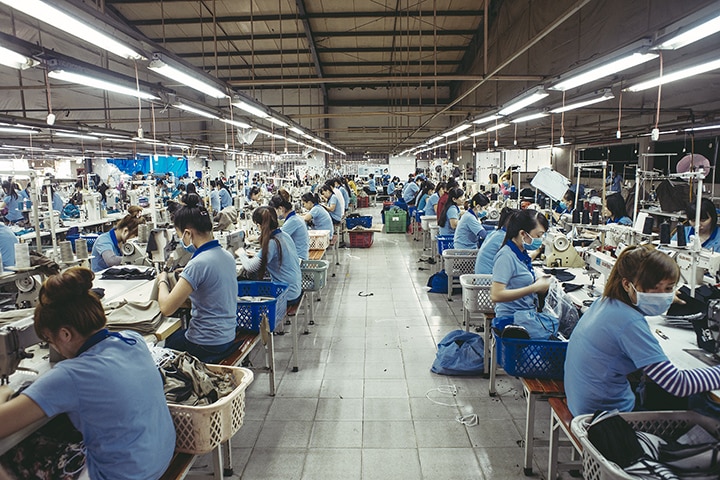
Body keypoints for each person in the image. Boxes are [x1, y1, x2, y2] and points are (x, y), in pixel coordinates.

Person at [0, 267, 175, 479]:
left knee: (15, 453)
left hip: (121, 475)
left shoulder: (71, 375)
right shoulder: (132, 340)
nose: (52, 345)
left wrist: (5, 391)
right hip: (158, 461)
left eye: (49, 340)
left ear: (64, 334)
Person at [565, 245, 720, 416]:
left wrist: (663, 298)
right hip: (608, 418)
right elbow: (678, 384)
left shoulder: (605, 302)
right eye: (655, 288)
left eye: (669, 288)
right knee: (704, 405)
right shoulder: (628, 322)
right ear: (627, 285)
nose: (663, 295)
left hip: (583, 404)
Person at [158, 193, 238, 362]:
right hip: (228, 335)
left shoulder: (198, 264)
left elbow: (166, 308)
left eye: (180, 236)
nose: (181, 240)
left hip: (206, 343)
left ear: (187, 234)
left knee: (166, 346)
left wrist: (162, 280)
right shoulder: (226, 255)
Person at [490, 209, 555, 339]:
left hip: (524, 315)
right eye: (538, 235)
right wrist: (534, 288)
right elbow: (496, 295)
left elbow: (521, 267)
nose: (540, 239)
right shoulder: (505, 256)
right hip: (511, 321)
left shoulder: (519, 252)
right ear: (522, 234)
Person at [238, 207, 302, 307]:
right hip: (294, 288)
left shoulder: (272, 243)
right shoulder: (284, 235)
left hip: (287, 294)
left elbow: (250, 267)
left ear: (259, 226)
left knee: (243, 283)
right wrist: (257, 255)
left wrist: (240, 252)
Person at [270, 190, 309, 261]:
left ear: (280, 209)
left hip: (299, 259)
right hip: (300, 255)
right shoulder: (295, 218)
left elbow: (275, 238)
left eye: (274, 211)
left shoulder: (293, 221)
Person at [475, 207, 516, 274]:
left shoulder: (497, 233)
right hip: (487, 280)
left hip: (482, 277)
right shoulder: (503, 237)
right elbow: (517, 260)